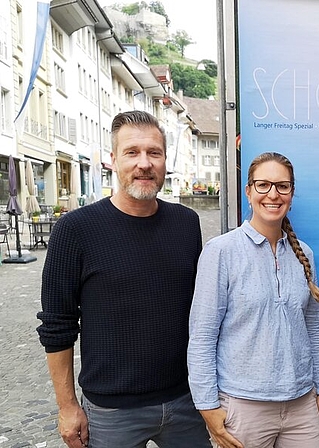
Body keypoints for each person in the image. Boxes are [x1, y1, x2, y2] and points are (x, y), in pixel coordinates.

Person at [36, 111, 211, 448]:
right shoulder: (75, 230)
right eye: (132, 152)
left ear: (164, 161)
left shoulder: (186, 224)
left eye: (154, 153)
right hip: (112, 411)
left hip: (186, 400)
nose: (144, 163)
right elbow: (57, 324)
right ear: (113, 160)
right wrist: (67, 407)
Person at [188, 152, 319, 448]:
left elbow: (313, 330)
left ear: (292, 193)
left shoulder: (304, 253)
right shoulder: (221, 252)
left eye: (282, 186)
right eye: (263, 185)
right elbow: (202, 336)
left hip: (302, 403)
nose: (273, 195)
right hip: (243, 406)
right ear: (249, 191)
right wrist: (206, 405)